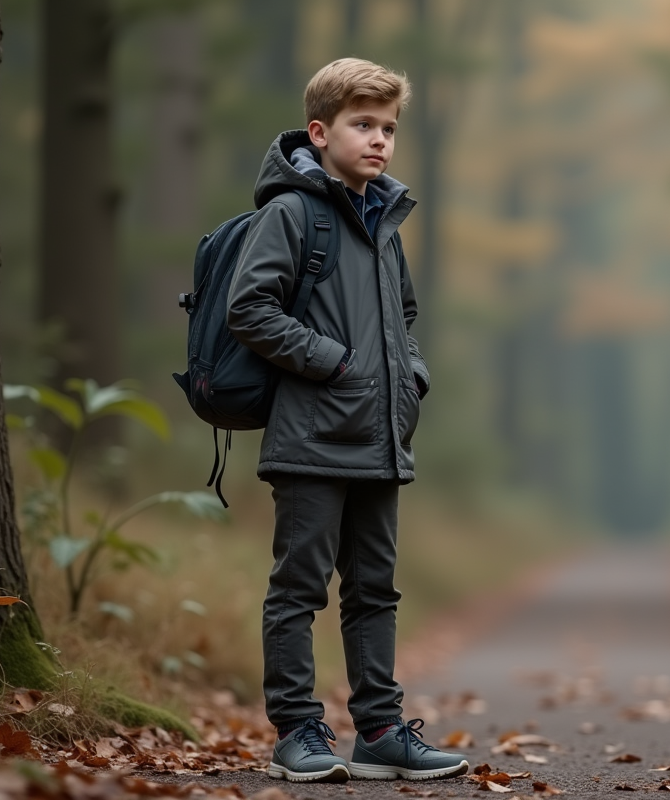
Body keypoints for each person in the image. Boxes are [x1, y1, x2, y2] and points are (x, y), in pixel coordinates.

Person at [227, 57, 468, 784]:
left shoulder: (384, 221)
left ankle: (381, 731)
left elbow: (407, 317)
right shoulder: (292, 213)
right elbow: (250, 308)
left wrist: (412, 378)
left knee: (375, 590)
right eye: (363, 125)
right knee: (299, 587)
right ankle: (298, 731)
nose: (379, 141)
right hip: (310, 439)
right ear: (319, 130)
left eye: (388, 128)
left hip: (380, 440)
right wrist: (335, 364)